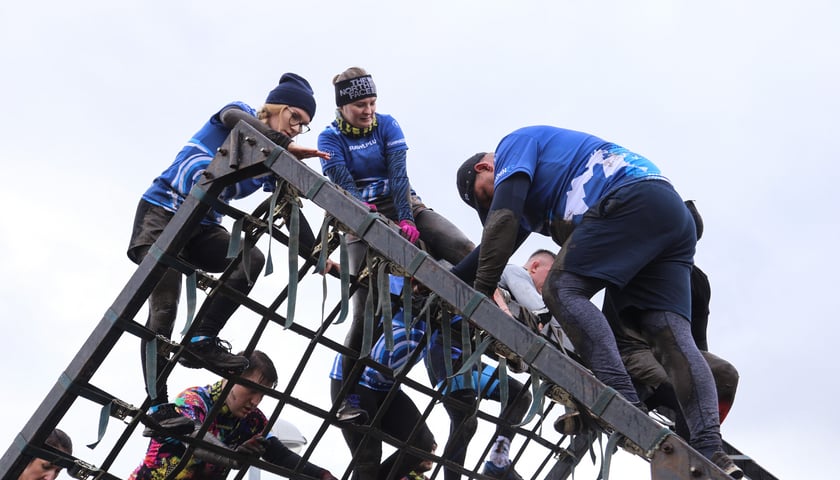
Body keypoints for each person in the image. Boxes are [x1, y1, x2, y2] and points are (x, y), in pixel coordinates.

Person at [451, 126, 743, 478]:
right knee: (666, 334)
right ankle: (711, 448)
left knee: (561, 288)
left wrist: (481, 291)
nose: (492, 204)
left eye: (485, 197)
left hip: (627, 197)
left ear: (485, 166)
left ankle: (622, 401)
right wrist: (458, 279)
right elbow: (497, 240)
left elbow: (503, 221)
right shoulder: (535, 196)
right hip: (668, 213)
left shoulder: (513, 145)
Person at [128, 73, 331, 435]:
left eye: (304, 125)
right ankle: (157, 406)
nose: (298, 129)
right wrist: (281, 143)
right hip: (162, 214)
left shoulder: (271, 158)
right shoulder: (236, 113)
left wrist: (316, 255)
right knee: (164, 304)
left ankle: (201, 339)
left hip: (203, 227)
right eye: (295, 118)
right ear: (277, 108)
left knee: (249, 258)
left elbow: (290, 208)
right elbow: (236, 122)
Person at [316, 66, 474, 413]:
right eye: (360, 104)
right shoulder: (329, 138)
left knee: (461, 248)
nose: (368, 110)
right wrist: (378, 222)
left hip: (404, 205)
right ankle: (349, 397)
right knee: (365, 313)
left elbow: (399, 174)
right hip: (360, 218)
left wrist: (404, 216)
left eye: (372, 102)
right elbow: (346, 186)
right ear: (343, 106)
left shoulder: (387, 124)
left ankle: (495, 301)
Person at [129, 350, 337, 480]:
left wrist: (322, 474)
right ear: (230, 376)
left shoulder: (254, 420)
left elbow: (279, 454)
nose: (255, 401)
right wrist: (233, 457)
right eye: (251, 389)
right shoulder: (195, 399)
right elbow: (194, 437)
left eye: (263, 395)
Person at [329, 276, 437, 480]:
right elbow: (363, 277)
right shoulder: (395, 283)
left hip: (386, 386)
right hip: (355, 378)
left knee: (421, 444)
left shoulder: (441, 310)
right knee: (368, 457)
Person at [425, 312, 531, 480]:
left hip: (468, 356)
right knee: (466, 422)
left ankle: (498, 461)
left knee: (521, 395)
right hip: (446, 352)